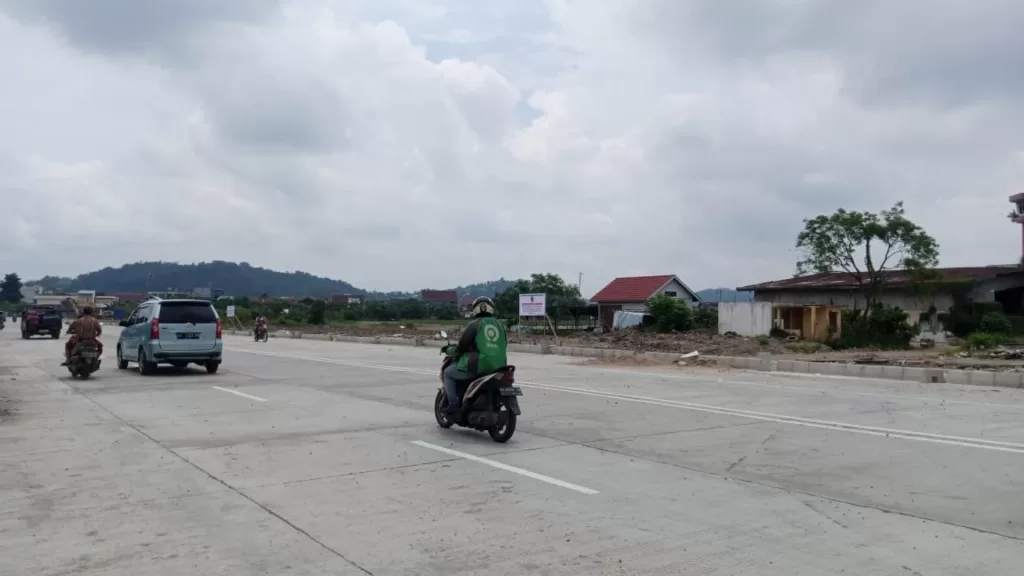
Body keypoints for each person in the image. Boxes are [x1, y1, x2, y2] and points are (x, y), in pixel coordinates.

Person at [443, 296, 508, 416]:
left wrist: (449, 350)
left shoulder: (474, 324)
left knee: (448, 373)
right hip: (500, 366)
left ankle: (453, 405)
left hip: (478, 366)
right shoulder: (500, 326)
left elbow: (461, 347)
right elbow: (504, 344)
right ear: (491, 308)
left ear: (475, 309)